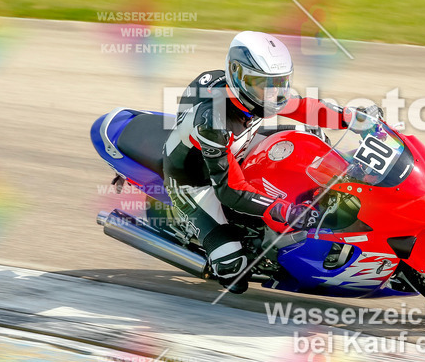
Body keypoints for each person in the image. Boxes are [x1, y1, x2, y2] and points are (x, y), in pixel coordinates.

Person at [162, 31, 379, 293]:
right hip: (196, 180)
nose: (273, 93)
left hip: (238, 148)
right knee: (233, 269)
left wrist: (351, 118)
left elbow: (303, 107)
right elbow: (229, 190)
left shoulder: (256, 92)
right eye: (263, 84)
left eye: (279, 82)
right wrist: (285, 211)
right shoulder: (214, 121)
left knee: (312, 137)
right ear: (237, 75)